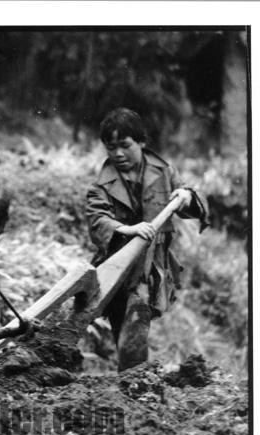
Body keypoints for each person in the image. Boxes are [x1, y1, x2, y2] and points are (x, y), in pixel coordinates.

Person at [86, 107, 209, 371]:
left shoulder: (164, 172)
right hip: (117, 268)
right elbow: (97, 220)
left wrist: (187, 196)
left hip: (152, 268)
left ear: (141, 142)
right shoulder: (101, 185)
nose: (118, 154)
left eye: (125, 145)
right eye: (111, 147)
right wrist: (126, 229)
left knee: (136, 321)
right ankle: (132, 381)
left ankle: (133, 383)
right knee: (122, 327)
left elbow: (192, 203)